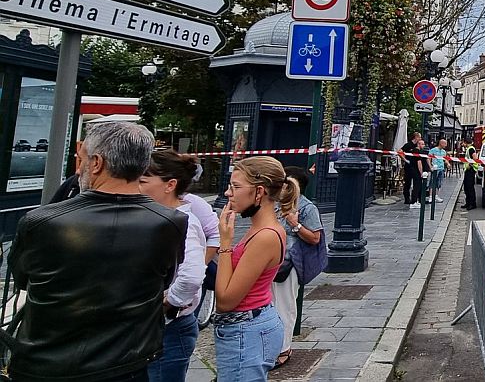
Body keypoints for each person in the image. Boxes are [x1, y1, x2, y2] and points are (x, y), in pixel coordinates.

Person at [8, 122, 187, 382]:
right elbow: (165, 279)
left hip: (46, 361)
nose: (78, 169)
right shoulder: (170, 222)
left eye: (82, 160)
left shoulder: (42, 221)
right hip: (126, 362)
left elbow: (23, 278)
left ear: (97, 163)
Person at [214, 156, 288, 381]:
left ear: (259, 192)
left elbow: (226, 300)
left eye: (236, 187)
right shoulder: (260, 229)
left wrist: (225, 243)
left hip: (246, 330)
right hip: (249, 325)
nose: (228, 193)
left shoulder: (265, 236)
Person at [139, 150, 207, 381]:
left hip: (170, 328)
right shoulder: (161, 217)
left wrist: (169, 302)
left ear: (170, 185)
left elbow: (192, 276)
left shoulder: (181, 221)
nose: (136, 186)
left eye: (143, 181)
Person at [271, 166, 325, 370]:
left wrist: (295, 224)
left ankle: (283, 349)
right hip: (269, 261)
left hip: (289, 263)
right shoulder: (274, 203)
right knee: (269, 305)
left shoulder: (306, 208)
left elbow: (315, 238)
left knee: (284, 306)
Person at [401, 132, 421, 204]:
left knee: (416, 182)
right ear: (415, 137)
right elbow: (400, 151)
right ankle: (407, 198)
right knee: (407, 183)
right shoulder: (408, 145)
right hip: (409, 166)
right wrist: (405, 160)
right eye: (419, 137)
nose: (420, 139)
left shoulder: (418, 145)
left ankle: (415, 198)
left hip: (416, 166)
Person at [427, 138, 450, 203]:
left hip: (441, 168)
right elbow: (428, 158)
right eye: (445, 143)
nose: (446, 145)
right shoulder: (433, 150)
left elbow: (445, 159)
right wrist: (430, 166)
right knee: (432, 182)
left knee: (439, 183)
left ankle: (436, 196)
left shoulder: (443, 151)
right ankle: (430, 196)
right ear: (441, 143)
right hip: (435, 168)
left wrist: (447, 163)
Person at [461, 141, 479, 210]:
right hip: (468, 170)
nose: (463, 144)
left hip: (470, 170)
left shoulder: (471, 149)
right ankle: (468, 203)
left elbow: (475, 158)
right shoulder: (469, 149)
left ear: (465, 143)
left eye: (463, 143)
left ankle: (472, 204)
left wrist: (470, 164)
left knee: (470, 187)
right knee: (466, 187)